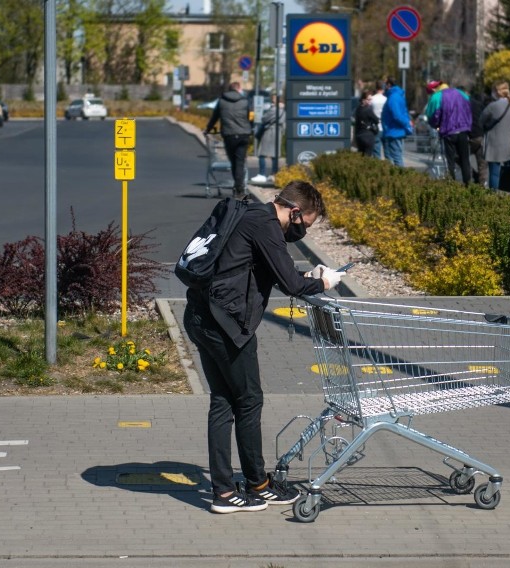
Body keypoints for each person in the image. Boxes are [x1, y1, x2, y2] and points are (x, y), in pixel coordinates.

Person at [183, 181, 345, 514]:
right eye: (306, 225)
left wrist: (309, 274)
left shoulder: (253, 214)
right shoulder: (266, 225)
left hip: (201, 315)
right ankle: (245, 487)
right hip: (225, 324)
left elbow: (276, 269)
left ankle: (230, 488)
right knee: (249, 400)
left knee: (224, 400)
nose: (304, 232)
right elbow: (292, 285)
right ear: (295, 212)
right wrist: (326, 282)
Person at [204, 81, 252, 197]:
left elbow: (214, 117)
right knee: (240, 162)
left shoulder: (221, 101)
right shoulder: (244, 101)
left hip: (229, 135)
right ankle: (239, 188)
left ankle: (238, 186)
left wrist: (208, 129)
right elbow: (247, 118)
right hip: (243, 135)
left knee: (234, 162)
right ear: (239, 88)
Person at [425, 80, 473, 186]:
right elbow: (469, 110)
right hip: (463, 130)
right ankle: (468, 184)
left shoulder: (437, 97)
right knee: (465, 159)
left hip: (448, 132)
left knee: (450, 161)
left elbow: (432, 115)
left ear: (434, 89)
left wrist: (437, 125)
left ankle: (451, 185)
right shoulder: (461, 94)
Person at [480, 81, 510, 190]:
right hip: (509, 144)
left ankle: (494, 196)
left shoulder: (492, 106)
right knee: (509, 171)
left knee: (494, 173)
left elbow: (481, 120)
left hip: (493, 143)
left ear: (497, 92)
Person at [380, 77, 414, 167]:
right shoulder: (396, 96)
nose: (383, 86)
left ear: (389, 85)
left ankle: (400, 178)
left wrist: (406, 123)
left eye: (385, 84)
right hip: (394, 131)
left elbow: (397, 115)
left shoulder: (393, 97)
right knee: (395, 157)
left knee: (395, 158)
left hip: (393, 132)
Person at [251, 94, 284, 185]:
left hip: (269, 132)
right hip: (278, 133)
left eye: (272, 99)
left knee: (262, 154)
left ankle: (262, 174)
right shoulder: (283, 110)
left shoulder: (273, 109)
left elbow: (264, 118)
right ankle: (274, 174)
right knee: (275, 155)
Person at [468, 91, 489, 187]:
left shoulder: (466, 104)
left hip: (469, 136)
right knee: (482, 163)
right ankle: (482, 183)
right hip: (481, 136)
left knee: (461, 158)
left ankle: (472, 174)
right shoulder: (482, 106)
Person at [353, 90, 380, 157]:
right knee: (367, 157)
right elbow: (376, 120)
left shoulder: (358, 109)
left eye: (371, 100)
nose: (370, 102)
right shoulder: (368, 110)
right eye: (368, 99)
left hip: (359, 136)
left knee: (361, 157)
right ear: (363, 100)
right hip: (368, 136)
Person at [369, 81, 387, 159]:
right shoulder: (386, 99)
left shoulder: (372, 99)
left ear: (376, 88)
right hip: (385, 127)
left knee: (376, 152)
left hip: (375, 128)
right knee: (388, 152)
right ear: (383, 89)